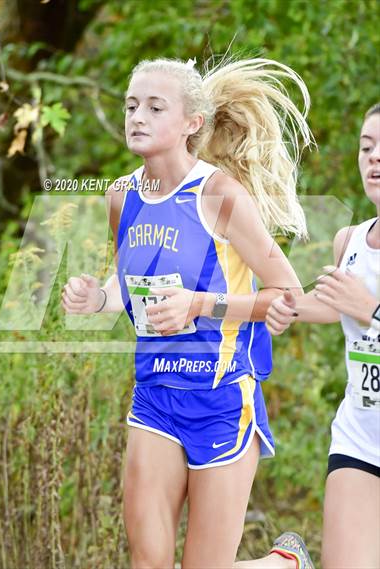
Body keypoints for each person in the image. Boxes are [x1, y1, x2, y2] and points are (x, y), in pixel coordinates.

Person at [62, 56, 315, 568]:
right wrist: (100, 299)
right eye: (132, 105)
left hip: (221, 396)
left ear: (191, 124)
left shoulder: (219, 194)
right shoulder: (121, 197)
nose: (137, 117)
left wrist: (200, 306)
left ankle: (280, 565)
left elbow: (287, 295)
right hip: (155, 395)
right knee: (148, 562)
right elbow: (129, 281)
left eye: (155, 107)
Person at [266, 103, 380, 569]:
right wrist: (288, 308)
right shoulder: (349, 240)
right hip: (361, 438)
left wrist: (372, 310)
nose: (374, 158)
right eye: (367, 147)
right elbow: (334, 307)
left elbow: (360, 308)